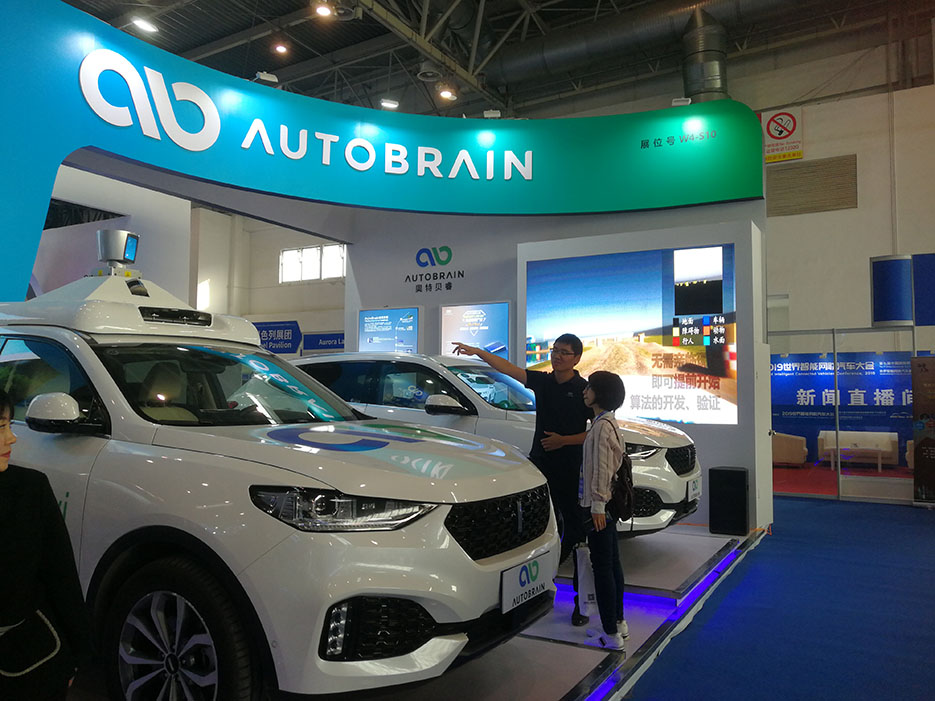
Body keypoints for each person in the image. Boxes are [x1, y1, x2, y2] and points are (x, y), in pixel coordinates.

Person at [452, 334, 592, 617]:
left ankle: (582, 603)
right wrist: (478, 351)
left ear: (577, 358)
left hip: (571, 470)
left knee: (576, 533)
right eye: (555, 350)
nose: (557, 356)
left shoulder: (584, 390)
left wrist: (564, 441)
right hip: (540, 466)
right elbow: (507, 369)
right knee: (536, 528)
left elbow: (598, 431)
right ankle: (534, 591)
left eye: (564, 352)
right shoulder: (543, 382)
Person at [0, 388, 92, 700]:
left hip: (29, 660)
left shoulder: (29, 490)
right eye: (1, 427)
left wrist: (77, 655)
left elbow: (60, 577)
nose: (12, 438)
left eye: (10, 425)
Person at [580, 371, 628, 651]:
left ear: (601, 393)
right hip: (607, 504)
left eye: (590, 387)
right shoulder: (609, 423)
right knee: (612, 563)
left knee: (602, 567)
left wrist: (597, 504)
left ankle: (610, 633)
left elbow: (601, 469)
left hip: (600, 506)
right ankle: (618, 622)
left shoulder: (600, 427)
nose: (585, 391)